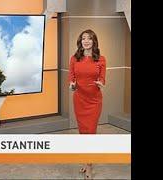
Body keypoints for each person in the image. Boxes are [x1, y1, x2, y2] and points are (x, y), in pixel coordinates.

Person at [68, 29, 106, 179]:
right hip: (79, 100)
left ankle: (89, 165)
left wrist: (100, 83)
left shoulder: (101, 59)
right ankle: (86, 160)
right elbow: (71, 78)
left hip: (94, 101)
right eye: (83, 38)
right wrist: (72, 85)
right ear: (80, 41)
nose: (86, 41)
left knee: (91, 132)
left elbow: (103, 79)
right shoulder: (74, 59)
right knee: (83, 132)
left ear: (94, 41)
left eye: (89, 38)